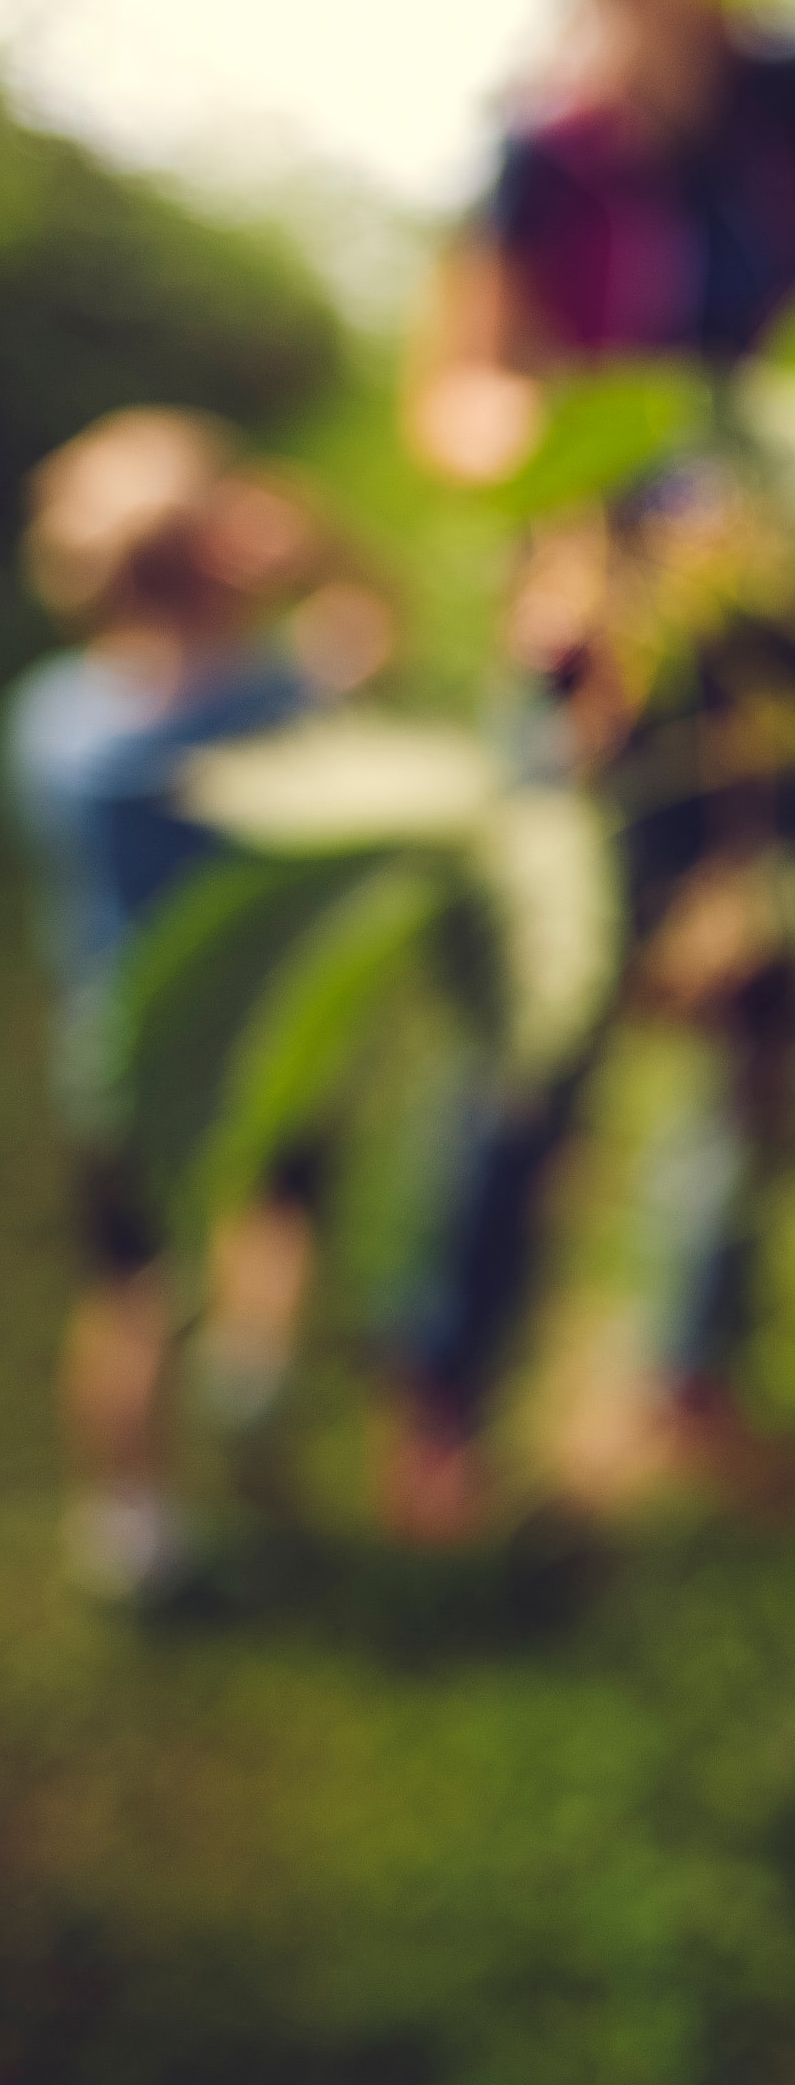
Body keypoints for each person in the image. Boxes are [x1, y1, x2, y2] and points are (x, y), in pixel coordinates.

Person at [396, 0, 795, 1524]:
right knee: (540, 1015)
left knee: (761, 1004)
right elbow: (459, 392)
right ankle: (448, 1395)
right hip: (607, 650)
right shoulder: (545, 155)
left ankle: (688, 1379)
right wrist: (576, 484)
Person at [6, 407, 392, 1596]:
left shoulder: (53, 721)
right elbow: (376, 632)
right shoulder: (261, 709)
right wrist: (320, 547)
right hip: (269, 1039)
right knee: (279, 1215)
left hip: (114, 1048)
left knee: (128, 1291)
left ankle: (133, 1522)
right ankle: (251, 1367)